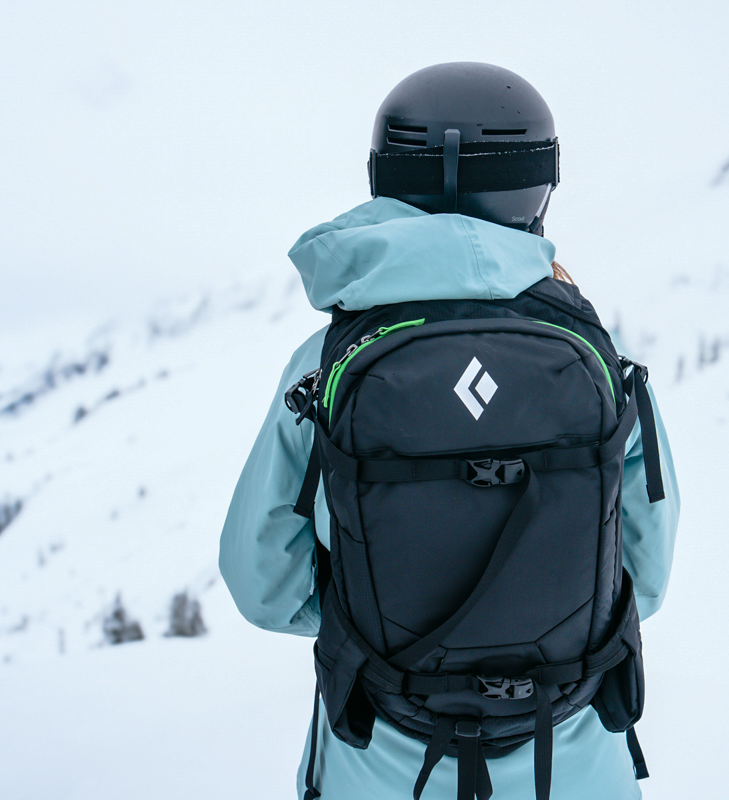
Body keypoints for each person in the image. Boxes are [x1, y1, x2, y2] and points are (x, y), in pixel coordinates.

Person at [219, 62, 680, 800]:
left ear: (386, 179)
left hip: (379, 759)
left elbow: (263, 586)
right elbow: (643, 578)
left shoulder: (324, 364)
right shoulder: (599, 356)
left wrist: (374, 618)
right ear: (538, 188)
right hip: (572, 763)